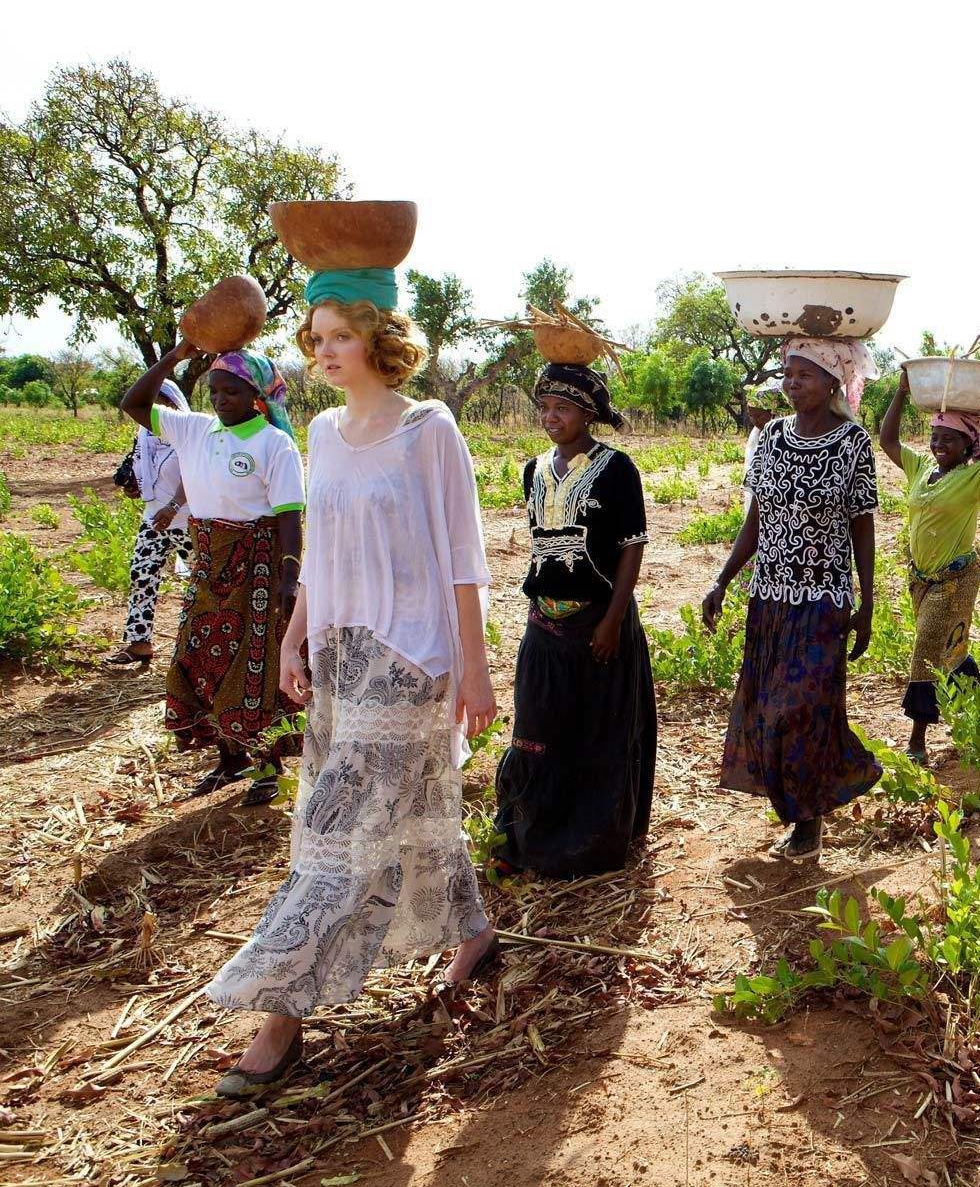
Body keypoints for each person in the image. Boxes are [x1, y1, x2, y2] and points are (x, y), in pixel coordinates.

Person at [205, 272, 497, 1098]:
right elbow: (321, 556)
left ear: (377, 337)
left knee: (338, 834)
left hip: (410, 658)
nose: (322, 351)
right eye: (315, 337)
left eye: (337, 335)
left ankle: (279, 1017)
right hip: (339, 656)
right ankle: (473, 932)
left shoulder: (427, 428)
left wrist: (473, 667)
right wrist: (296, 642)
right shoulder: (324, 433)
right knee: (414, 812)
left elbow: (464, 557)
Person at [702, 337, 882, 861]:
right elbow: (755, 519)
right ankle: (803, 813)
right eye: (787, 373)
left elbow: (862, 527)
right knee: (767, 711)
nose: (791, 384)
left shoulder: (852, 443)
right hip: (771, 598)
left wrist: (866, 602)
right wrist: (722, 579)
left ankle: (810, 819)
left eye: (803, 375)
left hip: (824, 600)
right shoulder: (773, 437)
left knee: (800, 709)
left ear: (831, 382)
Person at [118, 345, 304, 805]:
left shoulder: (273, 443)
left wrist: (288, 579)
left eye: (232, 391)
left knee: (253, 668)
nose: (221, 399)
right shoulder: (195, 429)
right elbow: (134, 404)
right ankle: (229, 758)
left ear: (256, 396)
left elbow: (289, 519)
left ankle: (266, 766)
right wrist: (176, 357)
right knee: (199, 659)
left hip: (258, 563)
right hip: (208, 562)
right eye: (215, 391)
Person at [493, 362, 655, 875]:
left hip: (597, 625)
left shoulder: (617, 468)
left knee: (598, 733)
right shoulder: (533, 470)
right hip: (543, 624)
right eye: (544, 408)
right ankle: (531, 831)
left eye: (561, 408)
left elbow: (631, 549)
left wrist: (611, 621)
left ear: (587, 413)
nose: (550, 417)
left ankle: (591, 842)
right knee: (538, 726)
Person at [877, 365, 980, 761]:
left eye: (949, 438)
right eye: (935, 436)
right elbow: (888, 439)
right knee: (951, 649)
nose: (939, 444)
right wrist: (900, 391)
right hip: (921, 578)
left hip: (955, 579)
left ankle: (917, 741)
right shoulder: (920, 469)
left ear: (968, 444)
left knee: (925, 650)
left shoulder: (975, 477)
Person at [106, 381, 192, 668]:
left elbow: (196, 477)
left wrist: (173, 506)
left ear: (174, 405)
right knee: (142, 573)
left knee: (201, 583)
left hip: (188, 520)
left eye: (163, 403)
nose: (157, 410)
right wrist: (135, 487)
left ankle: (195, 647)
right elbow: (143, 472)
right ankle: (139, 643)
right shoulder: (145, 435)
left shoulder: (188, 434)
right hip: (154, 519)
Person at [742, 384, 787, 512]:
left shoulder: (782, 435)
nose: (754, 420)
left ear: (772, 413)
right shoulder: (756, 435)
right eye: (751, 416)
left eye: (758, 416)